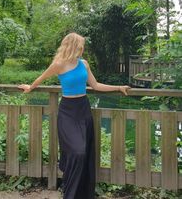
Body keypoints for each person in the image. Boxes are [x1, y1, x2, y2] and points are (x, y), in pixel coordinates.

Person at [18, 32, 130, 199]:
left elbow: (96, 85)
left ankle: (82, 194)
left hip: (83, 109)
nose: (82, 48)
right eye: (80, 46)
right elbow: (41, 78)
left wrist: (118, 87)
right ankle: (70, 193)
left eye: (83, 46)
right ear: (72, 46)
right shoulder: (59, 64)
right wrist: (30, 87)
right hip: (67, 112)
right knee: (77, 152)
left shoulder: (84, 64)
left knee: (85, 153)